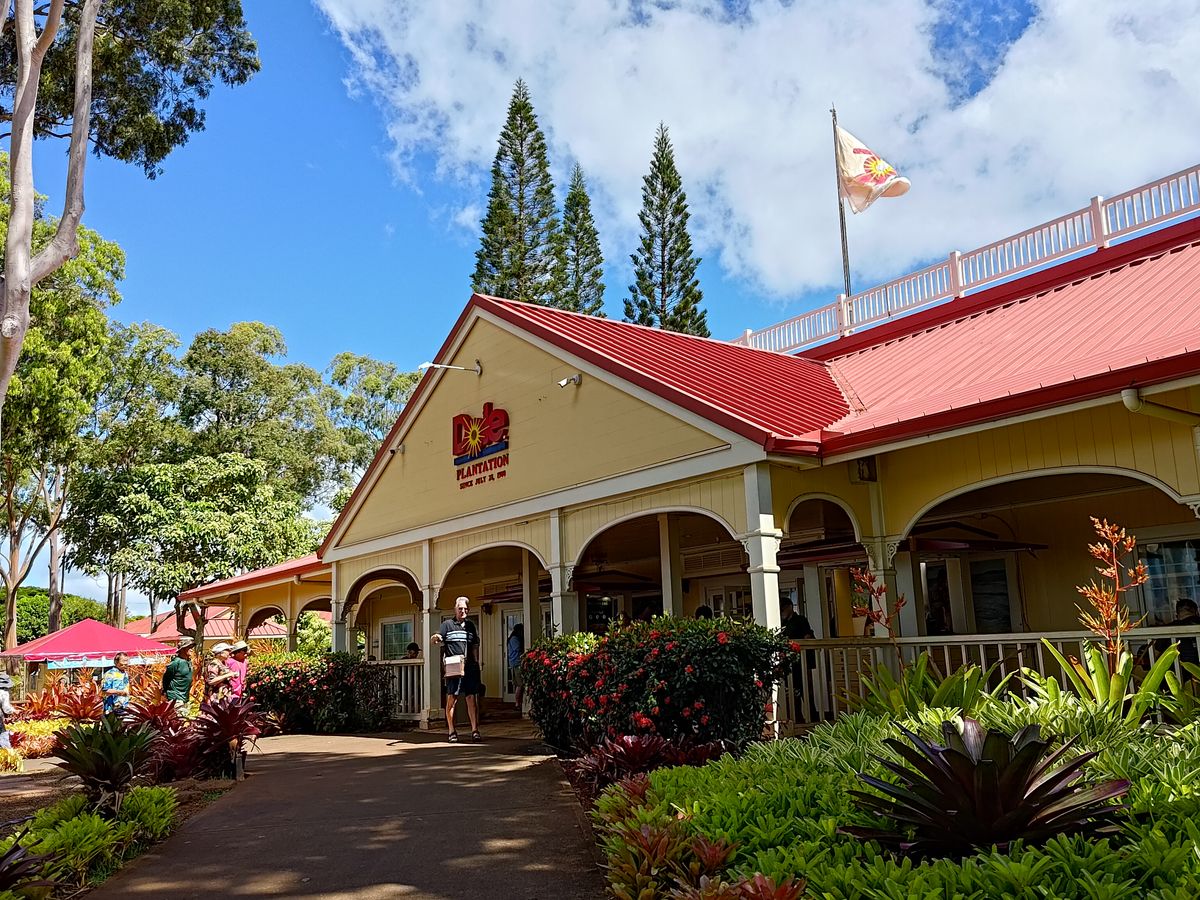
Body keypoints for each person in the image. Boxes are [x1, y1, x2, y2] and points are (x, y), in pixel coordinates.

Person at [433, 596, 481, 743]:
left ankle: (475, 730)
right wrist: (435, 638)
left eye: (465, 609)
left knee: (471, 698)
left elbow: (475, 646)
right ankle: (451, 731)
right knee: (452, 699)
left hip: (469, 667)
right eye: (460, 608)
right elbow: (439, 637)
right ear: (455, 609)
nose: (463, 611)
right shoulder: (447, 625)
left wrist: (476, 662)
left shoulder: (471, 626)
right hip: (454, 667)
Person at [162, 638, 195, 713]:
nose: (192, 650)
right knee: (180, 716)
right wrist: (165, 692)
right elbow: (166, 678)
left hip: (185, 697)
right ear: (183, 649)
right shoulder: (176, 663)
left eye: (192, 647)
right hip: (175, 697)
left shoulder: (188, 662)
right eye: (189, 647)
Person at [507, 622, 525, 709]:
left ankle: (519, 703)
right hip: (516, 663)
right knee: (520, 684)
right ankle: (517, 703)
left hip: (516, 662)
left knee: (519, 684)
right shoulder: (514, 639)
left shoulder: (513, 638)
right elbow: (518, 648)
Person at [0, 672, 15, 750]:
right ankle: (6, 751)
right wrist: (13, 711)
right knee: (3, 733)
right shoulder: (4, 693)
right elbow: (6, 708)